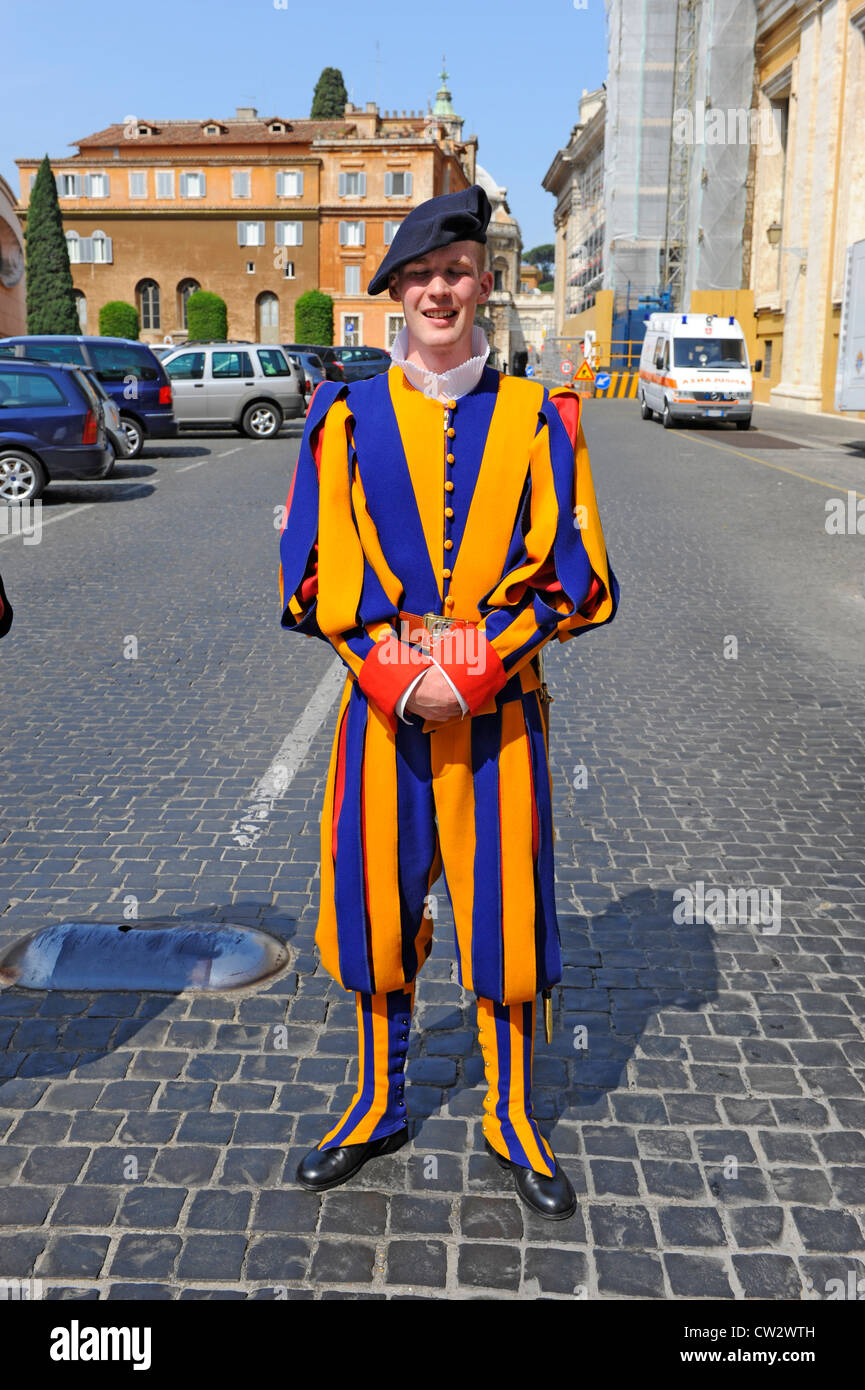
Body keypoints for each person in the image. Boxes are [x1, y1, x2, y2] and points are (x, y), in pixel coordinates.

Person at [278, 185, 619, 1219]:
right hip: (382, 717)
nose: (439, 290)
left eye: (456, 271)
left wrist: (472, 669)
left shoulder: (540, 417)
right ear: (395, 293)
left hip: (500, 710)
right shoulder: (342, 418)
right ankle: (376, 1100)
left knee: (505, 912)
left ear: (484, 283)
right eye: (419, 275)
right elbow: (309, 570)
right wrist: (398, 673)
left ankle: (510, 1116)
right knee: (377, 905)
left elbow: (579, 575)